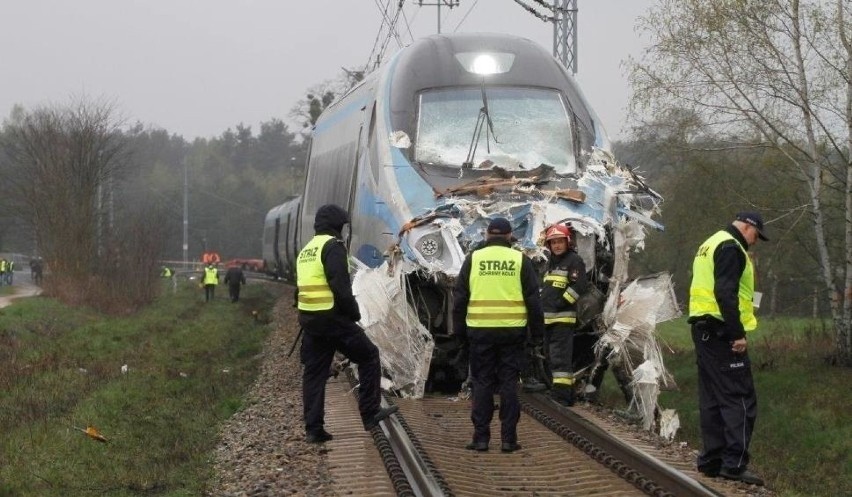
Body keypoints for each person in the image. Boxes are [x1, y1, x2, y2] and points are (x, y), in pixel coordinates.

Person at [297, 204, 397, 444]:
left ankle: (314, 429)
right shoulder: (333, 248)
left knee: (314, 374)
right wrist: (353, 314)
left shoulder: (307, 250)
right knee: (369, 356)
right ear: (336, 227)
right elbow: (340, 287)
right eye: (342, 227)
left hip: (310, 320)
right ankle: (370, 412)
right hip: (333, 319)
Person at [688, 211, 767, 486]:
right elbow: (725, 292)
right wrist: (737, 334)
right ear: (747, 227)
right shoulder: (732, 248)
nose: (754, 242)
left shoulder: (710, 243)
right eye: (756, 236)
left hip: (703, 329)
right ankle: (733, 464)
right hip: (723, 333)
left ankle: (712, 461)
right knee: (740, 398)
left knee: (711, 398)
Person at [452, 217, 545, 453]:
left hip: (480, 332)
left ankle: (481, 438)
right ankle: (508, 440)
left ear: (486, 236)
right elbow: (534, 301)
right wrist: (537, 335)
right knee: (509, 384)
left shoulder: (473, 260)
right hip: (512, 333)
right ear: (509, 236)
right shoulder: (520, 260)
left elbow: (460, 299)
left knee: (481, 383)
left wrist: (459, 334)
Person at [540, 223, 587, 406]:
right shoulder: (550, 262)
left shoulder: (574, 261)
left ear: (567, 242)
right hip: (548, 319)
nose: (557, 246)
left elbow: (579, 287)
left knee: (561, 359)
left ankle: (562, 396)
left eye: (560, 242)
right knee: (552, 357)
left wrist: (561, 302)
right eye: (553, 243)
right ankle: (561, 392)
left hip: (563, 318)